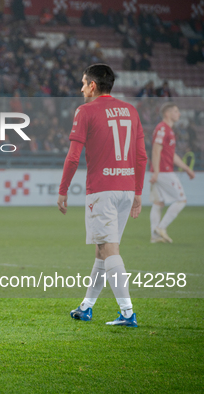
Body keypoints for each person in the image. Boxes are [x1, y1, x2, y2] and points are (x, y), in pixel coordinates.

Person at [57, 64, 147, 328]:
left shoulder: (85, 110)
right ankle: (86, 307)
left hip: (102, 189)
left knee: (109, 249)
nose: (81, 88)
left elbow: (73, 156)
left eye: (84, 83)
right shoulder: (131, 111)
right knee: (102, 250)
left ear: (93, 85)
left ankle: (128, 312)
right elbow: (141, 156)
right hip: (127, 188)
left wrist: (63, 190)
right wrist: (138, 191)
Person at [149, 103, 195, 243]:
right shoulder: (162, 128)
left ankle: (155, 236)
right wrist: (156, 172)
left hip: (161, 170)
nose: (179, 114)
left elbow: (171, 154)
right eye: (176, 111)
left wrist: (187, 169)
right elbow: (156, 150)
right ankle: (161, 228)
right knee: (181, 200)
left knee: (158, 203)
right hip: (164, 171)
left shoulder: (168, 130)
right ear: (167, 114)